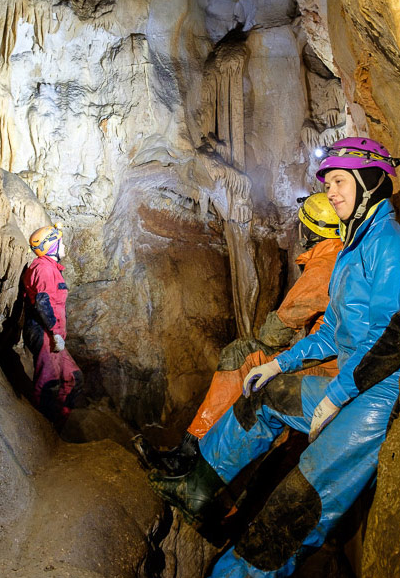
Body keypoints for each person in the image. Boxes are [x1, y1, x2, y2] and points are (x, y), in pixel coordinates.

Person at [146, 137, 400, 578]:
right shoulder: (355, 247)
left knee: (296, 505)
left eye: (339, 181)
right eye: (328, 183)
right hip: (348, 385)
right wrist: (281, 362)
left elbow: (390, 339)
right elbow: (333, 329)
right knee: (261, 394)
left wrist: (334, 396)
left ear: (370, 180)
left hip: (370, 402)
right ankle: (198, 489)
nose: (331, 192)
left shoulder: (389, 242)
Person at [135, 193, 343, 475]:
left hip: (328, 369)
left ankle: (191, 454)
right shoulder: (341, 254)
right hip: (332, 360)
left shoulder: (325, 265)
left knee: (242, 356)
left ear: (308, 230)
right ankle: (196, 449)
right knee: (251, 358)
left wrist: (272, 343)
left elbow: (276, 332)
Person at [21, 224, 83, 424]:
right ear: (51, 247)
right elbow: (42, 302)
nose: (63, 245)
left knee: (74, 377)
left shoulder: (52, 269)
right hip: (44, 331)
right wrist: (55, 333)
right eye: (60, 242)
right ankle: (42, 429)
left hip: (52, 333)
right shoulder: (43, 268)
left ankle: (59, 422)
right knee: (49, 381)